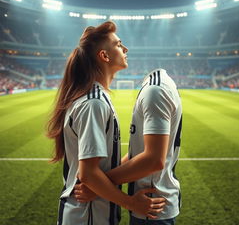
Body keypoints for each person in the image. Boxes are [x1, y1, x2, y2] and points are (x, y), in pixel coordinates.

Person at [47, 21, 166, 225]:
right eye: (119, 44)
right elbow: (89, 174)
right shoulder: (94, 103)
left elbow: (100, 168)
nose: (125, 48)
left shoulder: (97, 98)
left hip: (91, 214)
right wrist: (131, 203)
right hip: (88, 217)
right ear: (104, 56)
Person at [75, 68, 182, 225]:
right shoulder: (157, 86)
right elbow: (137, 154)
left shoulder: (155, 90)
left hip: (151, 206)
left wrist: (97, 185)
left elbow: (153, 160)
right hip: (152, 205)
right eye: (118, 44)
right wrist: (99, 183)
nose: (124, 48)